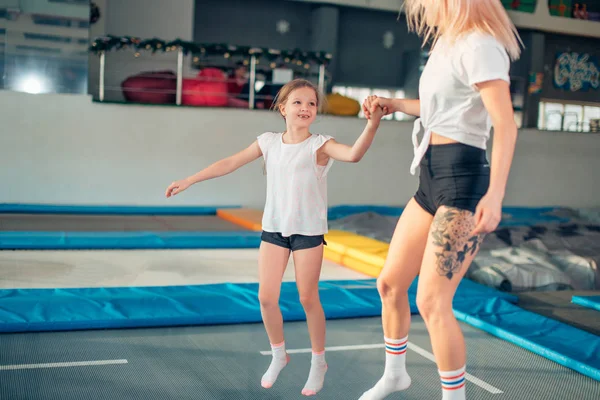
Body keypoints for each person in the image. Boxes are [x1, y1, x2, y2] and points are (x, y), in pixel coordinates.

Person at [165, 79, 384, 396]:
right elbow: (230, 162)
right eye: (297, 102)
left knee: (308, 299)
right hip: (274, 231)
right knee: (266, 298)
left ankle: (318, 362)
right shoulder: (268, 142)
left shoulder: (319, 145)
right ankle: (279, 354)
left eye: (311, 103)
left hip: (308, 232)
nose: (305, 108)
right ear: (283, 109)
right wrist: (190, 179)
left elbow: (353, 155)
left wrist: (372, 123)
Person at [359, 1, 522, 399]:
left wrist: (495, 195)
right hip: (431, 176)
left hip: (464, 181)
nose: (419, 8)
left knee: (432, 301)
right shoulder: (448, 45)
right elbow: (439, 110)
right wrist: (393, 105)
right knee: (390, 284)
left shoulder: (481, 45)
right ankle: (395, 374)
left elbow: (505, 124)